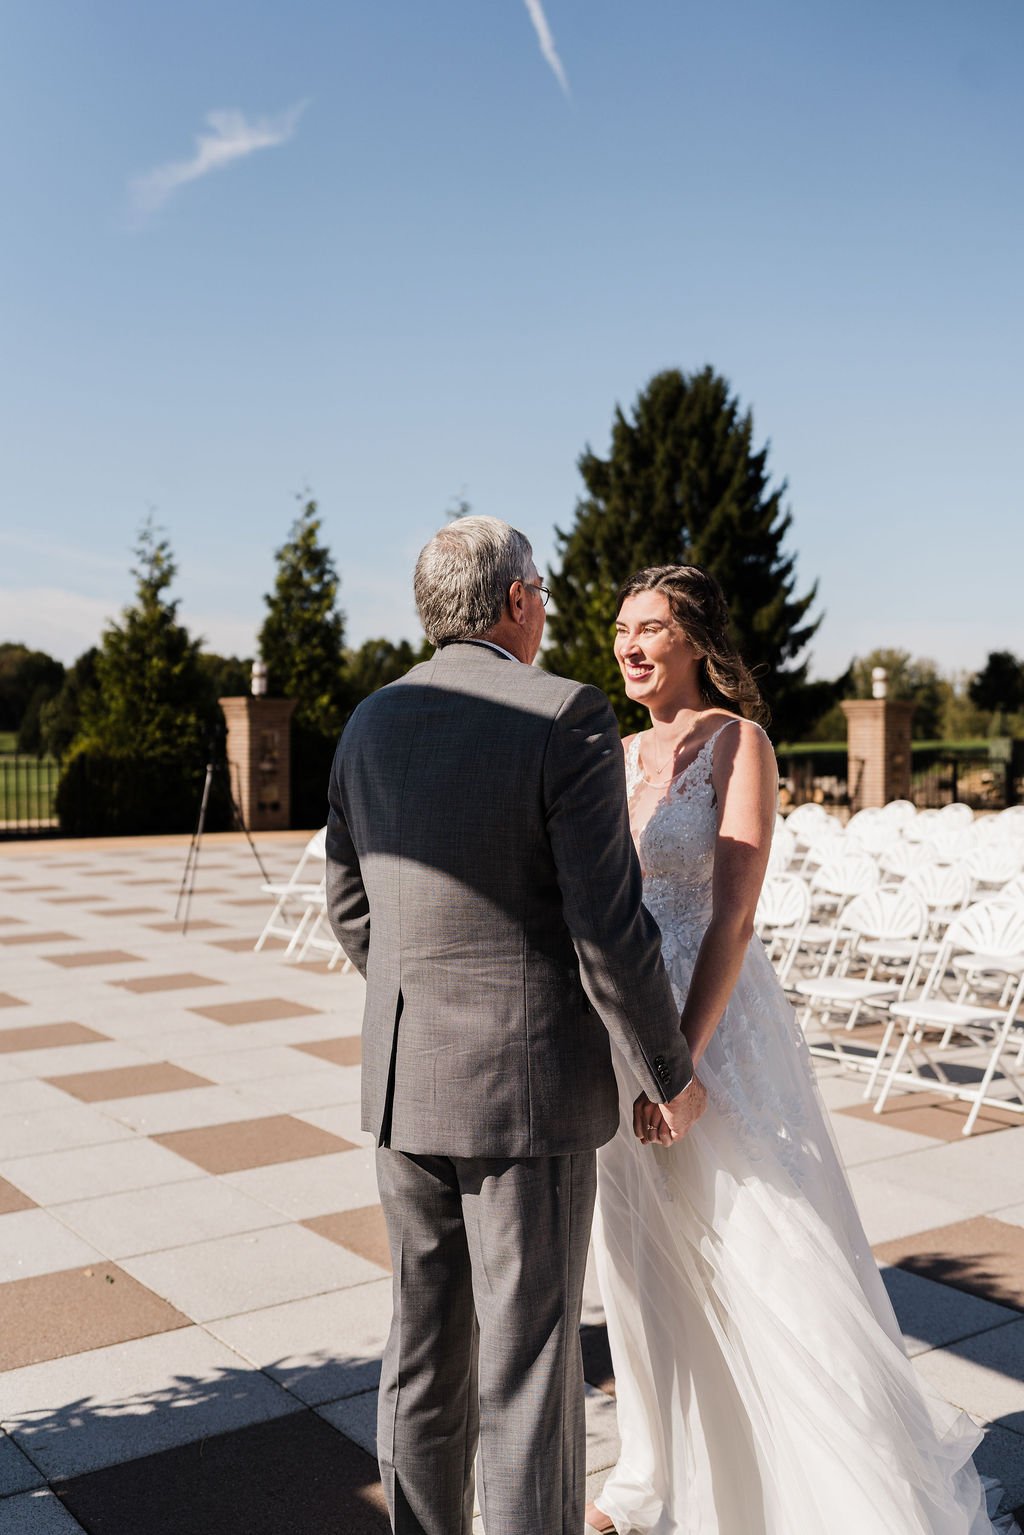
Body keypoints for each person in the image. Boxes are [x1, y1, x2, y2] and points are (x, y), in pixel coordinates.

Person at [585, 563, 1017, 1535]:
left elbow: (733, 915)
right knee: (638, 1253)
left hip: (711, 1018)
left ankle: (820, 1488)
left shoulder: (741, 743)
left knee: (753, 1239)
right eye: (620, 627)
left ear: (694, 637)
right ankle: (650, 1473)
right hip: (620, 1023)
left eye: (651, 626)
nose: (631, 644)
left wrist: (682, 1062)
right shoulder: (609, 753)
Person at [325, 518, 706, 1535]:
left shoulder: (369, 719)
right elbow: (606, 922)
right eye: (539, 590)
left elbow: (348, 905)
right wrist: (665, 1067)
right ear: (517, 602)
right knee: (529, 1366)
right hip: (525, 1092)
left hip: (407, 1083)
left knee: (420, 1353)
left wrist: (419, 1004)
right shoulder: (562, 714)